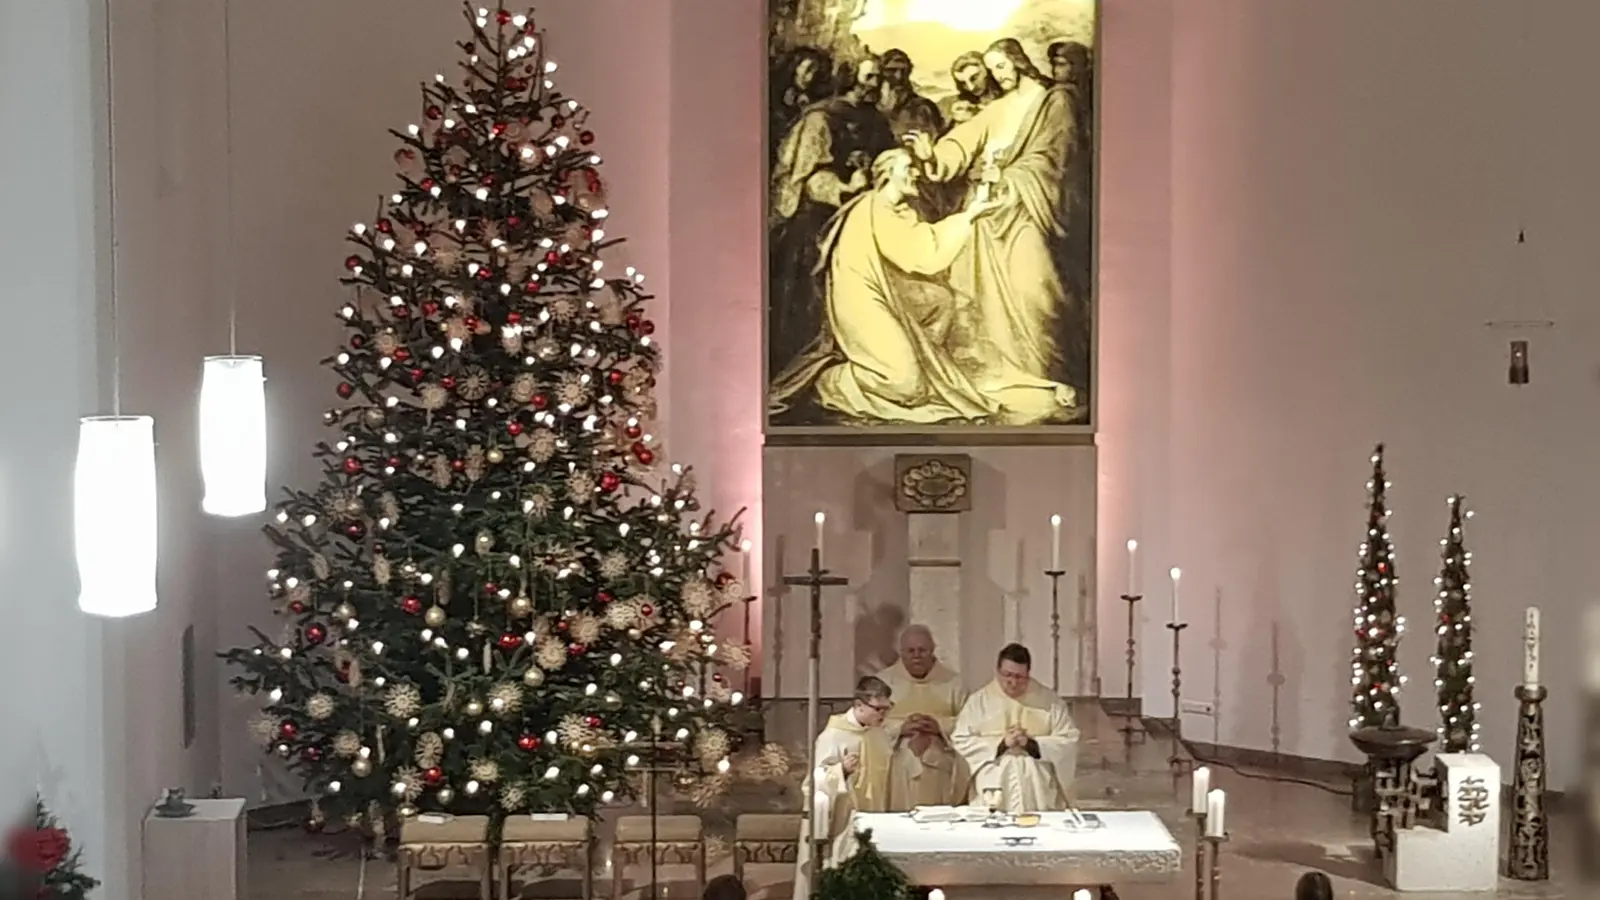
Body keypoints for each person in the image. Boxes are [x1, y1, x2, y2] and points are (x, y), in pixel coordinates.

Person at [903, 38, 1082, 424]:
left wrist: (1012, 179)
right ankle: (1007, 378)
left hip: (1027, 211)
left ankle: (1052, 375)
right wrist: (933, 154)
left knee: (1037, 292)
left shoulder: (1053, 103)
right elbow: (962, 143)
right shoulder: (997, 109)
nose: (999, 76)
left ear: (1018, 62)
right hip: (988, 213)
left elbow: (1060, 160)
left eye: (1002, 67)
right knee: (980, 298)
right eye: (994, 69)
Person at [767, 147, 1001, 424]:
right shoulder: (877, 207)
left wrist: (970, 212)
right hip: (860, 302)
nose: (915, 174)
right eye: (908, 168)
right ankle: (825, 383)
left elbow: (919, 243)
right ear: (887, 175)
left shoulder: (897, 209)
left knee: (941, 300)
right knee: (905, 385)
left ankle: (915, 361)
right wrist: (969, 215)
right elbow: (922, 256)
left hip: (885, 292)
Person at [767, 57, 896, 383]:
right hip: (819, 220)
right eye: (868, 76)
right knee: (808, 294)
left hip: (863, 218)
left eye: (877, 77)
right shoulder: (821, 118)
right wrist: (844, 188)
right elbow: (807, 176)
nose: (873, 84)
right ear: (851, 76)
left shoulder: (877, 121)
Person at [793, 676, 896, 898]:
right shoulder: (833, 735)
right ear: (859, 705)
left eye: (887, 709)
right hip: (843, 821)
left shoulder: (879, 733)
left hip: (877, 816)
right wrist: (842, 771)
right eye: (878, 709)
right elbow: (812, 784)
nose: (883, 715)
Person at [952, 643, 1079, 812]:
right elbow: (961, 739)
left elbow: (1068, 740)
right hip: (995, 778)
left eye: (1020, 677)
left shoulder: (1050, 702)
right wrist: (1001, 744)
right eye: (1007, 675)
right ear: (997, 671)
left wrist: (1033, 744)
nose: (1012, 682)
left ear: (1028, 673)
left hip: (1036, 784)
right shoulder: (978, 702)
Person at [878, 625, 971, 808]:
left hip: (940, 764)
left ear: (932, 651)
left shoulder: (954, 683)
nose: (916, 655)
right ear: (901, 652)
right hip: (898, 765)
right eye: (911, 651)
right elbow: (870, 724)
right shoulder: (884, 682)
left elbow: (969, 724)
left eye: (922, 650)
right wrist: (901, 728)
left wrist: (939, 726)